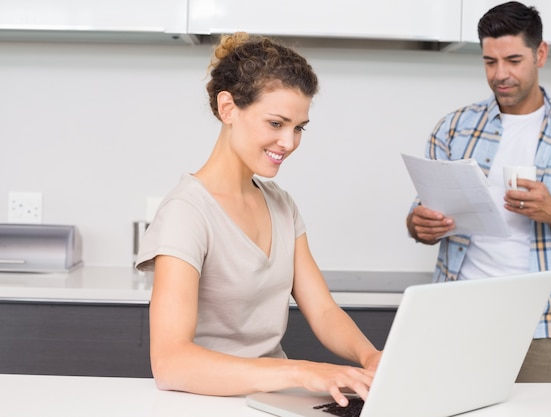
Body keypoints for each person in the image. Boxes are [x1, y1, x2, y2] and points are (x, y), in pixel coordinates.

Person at [135, 32, 381, 406]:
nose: (290, 142)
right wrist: (301, 371)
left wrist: (371, 357)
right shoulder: (186, 213)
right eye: (277, 123)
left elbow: (324, 310)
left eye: (299, 127)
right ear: (228, 108)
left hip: (270, 401)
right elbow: (170, 362)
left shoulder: (281, 204)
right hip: (206, 401)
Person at [405, 1, 551, 382]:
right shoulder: (453, 128)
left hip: (541, 321)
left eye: (514, 60)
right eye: (490, 62)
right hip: (457, 312)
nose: (501, 74)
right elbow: (420, 220)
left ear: (541, 54)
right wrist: (420, 225)